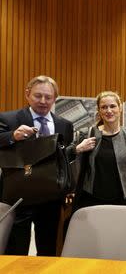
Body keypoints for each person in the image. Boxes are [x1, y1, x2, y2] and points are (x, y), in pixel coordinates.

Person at [0, 75, 74, 256]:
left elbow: (65, 161)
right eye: (38, 96)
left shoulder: (64, 125)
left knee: (48, 250)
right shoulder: (8, 119)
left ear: (54, 98)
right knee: (16, 252)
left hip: (50, 198)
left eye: (48, 97)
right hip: (18, 197)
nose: (43, 101)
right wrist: (12, 136)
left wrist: (69, 188)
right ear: (27, 94)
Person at [70, 91, 126, 212]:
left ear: (120, 108)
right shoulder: (87, 134)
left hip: (120, 200)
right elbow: (69, 158)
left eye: (112, 106)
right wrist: (78, 149)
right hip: (91, 200)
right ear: (99, 111)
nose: (108, 111)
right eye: (104, 107)